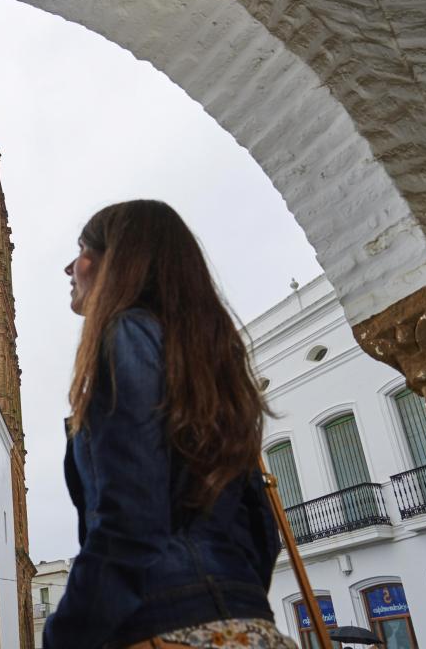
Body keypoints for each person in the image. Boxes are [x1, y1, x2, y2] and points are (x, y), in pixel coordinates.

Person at [43, 200, 296, 649]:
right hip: (248, 623)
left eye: (82, 249)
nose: (70, 267)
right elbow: (260, 530)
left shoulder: (126, 335)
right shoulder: (214, 363)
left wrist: (68, 633)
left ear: (118, 261)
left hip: (162, 621)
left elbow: (131, 513)